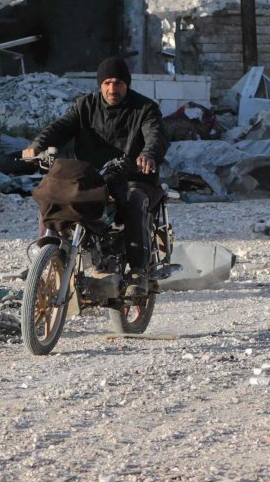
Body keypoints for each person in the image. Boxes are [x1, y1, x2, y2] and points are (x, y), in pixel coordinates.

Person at [22, 56, 168, 300]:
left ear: (127, 84)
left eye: (118, 83)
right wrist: (37, 145)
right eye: (108, 82)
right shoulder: (85, 106)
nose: (113, 88)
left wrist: (148, 154)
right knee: (52, 194)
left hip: (133, 176)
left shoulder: (145, 108)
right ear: (100, 84)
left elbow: (156, 134)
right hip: (91, 178)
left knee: (133, 202)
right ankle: (46, 255)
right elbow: (60, 126)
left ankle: (137, 272)